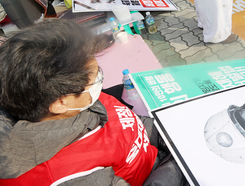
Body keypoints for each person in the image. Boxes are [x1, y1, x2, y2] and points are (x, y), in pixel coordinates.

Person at [0, 20, 186, 186]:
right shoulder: (67, 175)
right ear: (60, 103)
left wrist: (173, 135)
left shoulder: (79, 100)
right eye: (95, 78)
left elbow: (131, 122)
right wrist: (182, 161)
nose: (100, 81)